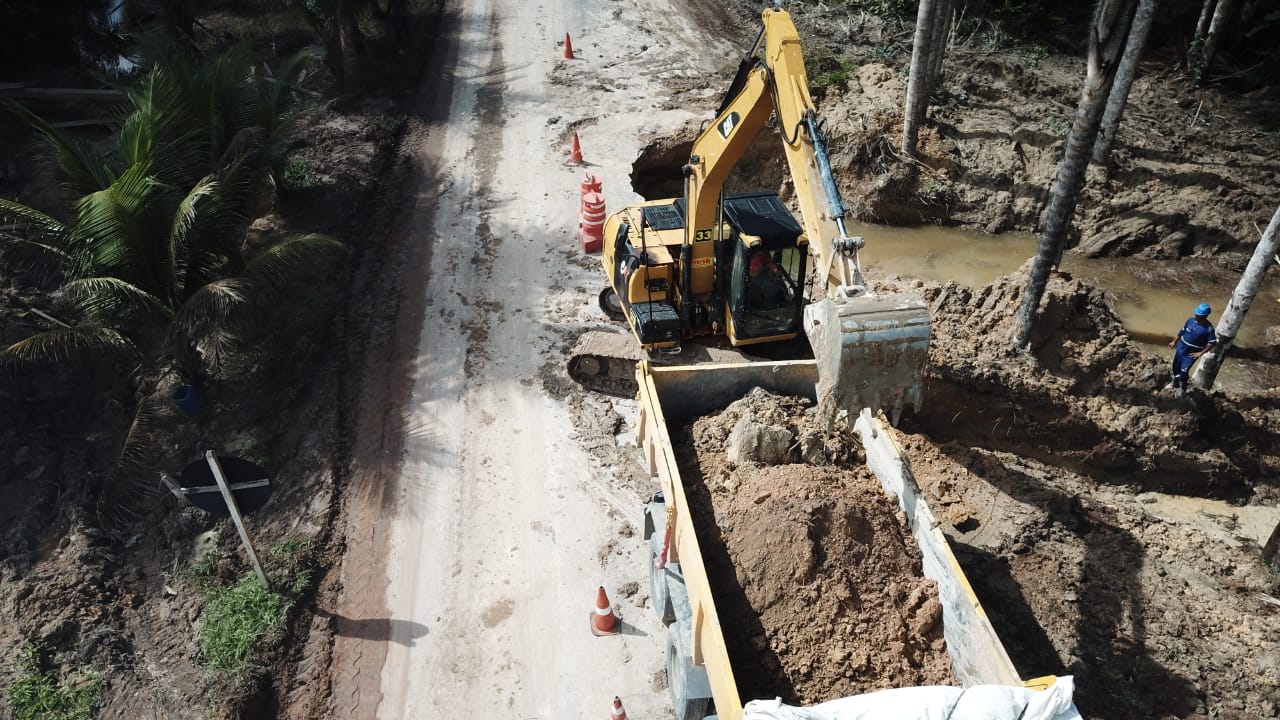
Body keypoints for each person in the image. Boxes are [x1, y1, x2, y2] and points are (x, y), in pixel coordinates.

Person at [1168, 302, 1217, 397]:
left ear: (1205, 316)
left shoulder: (1208, 329)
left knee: (1184, 371)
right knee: (1175, 366)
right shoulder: (1190, 320)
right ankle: (1174, 382)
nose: (1195, 315)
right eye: (1196, 313)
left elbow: (1212, 342)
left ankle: (1183, 388)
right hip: (1181, 348)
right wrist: (1174, 341)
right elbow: (1182, 330)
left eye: (1198, 315)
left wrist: (1200, 353)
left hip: (1191, 353)